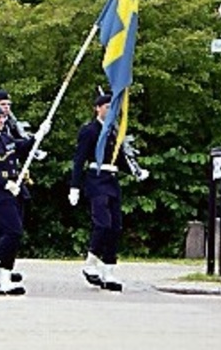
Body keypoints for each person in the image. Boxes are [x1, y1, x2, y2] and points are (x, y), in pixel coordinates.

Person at [69, 93, 149, 292]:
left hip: (111, 181)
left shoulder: (114, 131)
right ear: (97, 108)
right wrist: (75, 186)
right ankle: (90, 263)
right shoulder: (89, 130)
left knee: (115, 227)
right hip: (96, 179)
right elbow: (79, 160)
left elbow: (119, 159)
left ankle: (109, 270)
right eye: (106, 107)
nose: (109, 111)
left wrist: (135, 172)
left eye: (112, 107)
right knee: (102, 223)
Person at [0, 104, 41, 295]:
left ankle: (5, 279)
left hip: (16, 190)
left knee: (13, 237)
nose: (1, 121)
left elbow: (24, 148)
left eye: (3, 118)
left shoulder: (6, 138)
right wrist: (5, 184)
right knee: (14, 231)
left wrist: (38, 136)